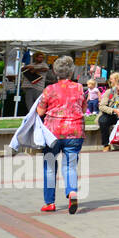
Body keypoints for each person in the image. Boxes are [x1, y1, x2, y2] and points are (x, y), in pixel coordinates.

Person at [36, 55, 86, 214]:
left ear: (55, 72)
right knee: (70, 165)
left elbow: (41, 111)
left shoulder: (49, 89)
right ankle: (72, 192)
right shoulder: (79, 88)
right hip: (75, 131)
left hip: (52, 133)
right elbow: (83, 109)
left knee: (49, 167)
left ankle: (49, 202)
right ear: (71, 72)